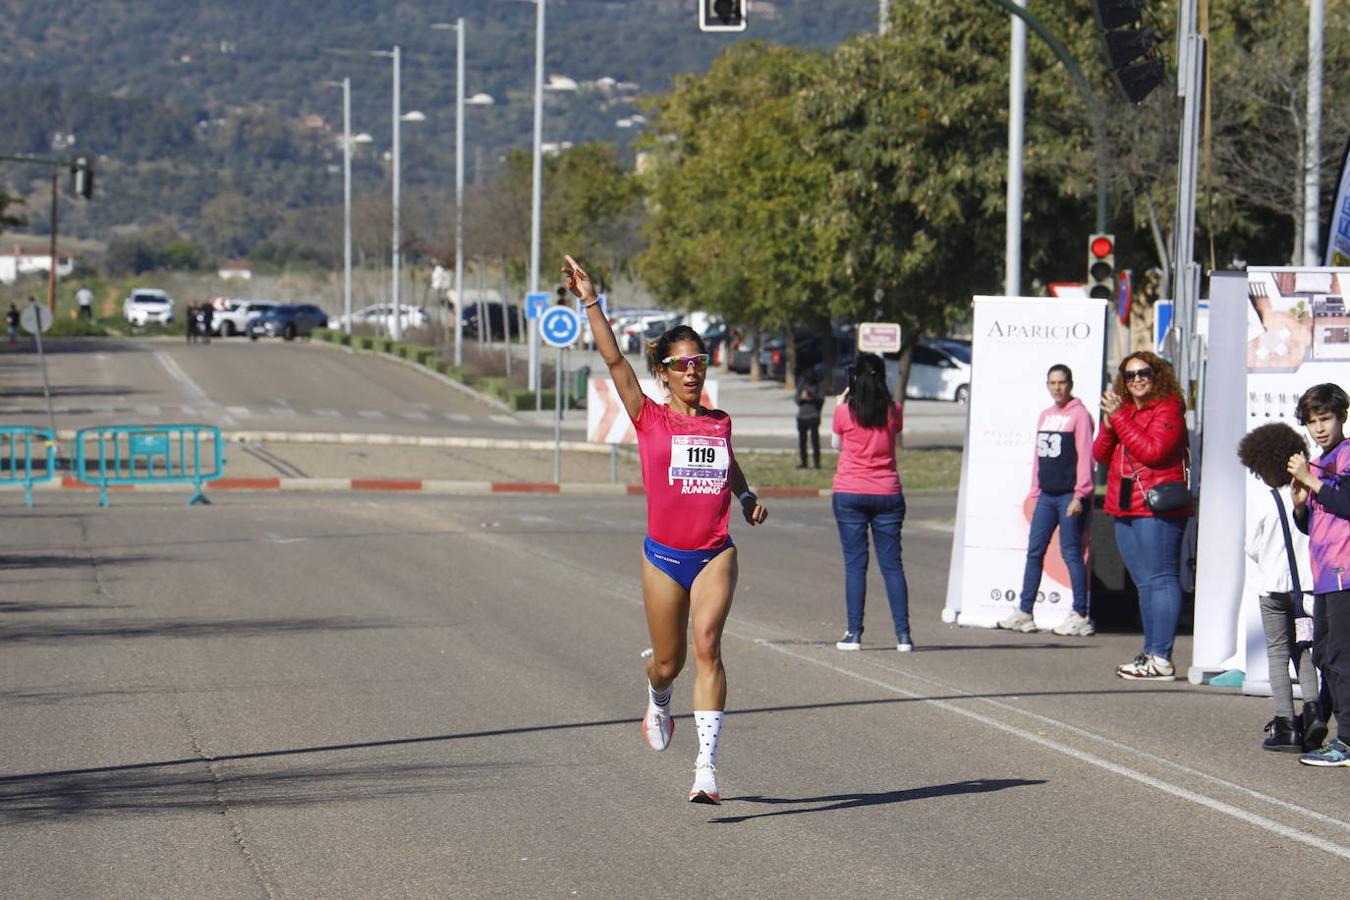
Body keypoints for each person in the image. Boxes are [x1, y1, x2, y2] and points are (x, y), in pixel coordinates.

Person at [563, 253, 767, 804]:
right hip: (663, 558)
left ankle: (706, 768)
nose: (692, 370)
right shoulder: (648, 415)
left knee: (707, 646)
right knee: (669, 661)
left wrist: (744, 495)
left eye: (698, 360)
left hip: (714, 551)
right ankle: (657, 695)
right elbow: (613, 363)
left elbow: (725, 461)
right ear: (665, 373)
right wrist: (590, 300)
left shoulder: (719, 421)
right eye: (681, 364)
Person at [1093, 351, 1192, 681]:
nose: (1136, 379)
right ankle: (1151, 653)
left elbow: (1154, 451)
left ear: (1157, 374)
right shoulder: (1125, 411)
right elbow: (1100, 454)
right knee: (1144, 584)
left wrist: (1119, 417)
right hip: (1124, 506)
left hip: (1157, 507)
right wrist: (1110, 423)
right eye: (1129, 375)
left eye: (1143, 373)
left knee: (1161, 579)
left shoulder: (1169, 407)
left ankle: (1162, 657)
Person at [1237, 422, 1323, 752]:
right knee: (1304, 649)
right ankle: (1313, 710)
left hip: (1273, 588)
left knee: (1277, 653)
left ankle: (1286, 724)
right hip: (1306, 589)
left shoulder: (1264, 501)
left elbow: (1253, 547)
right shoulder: (1309, 495)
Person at [999, 364, 1096, 636]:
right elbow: (1039, 457)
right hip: (1046, 496)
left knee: (1070, 553)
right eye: (1052, 383)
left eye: (1062, 382)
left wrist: (1081, 494)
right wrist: (1035, 490)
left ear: (1070, 384)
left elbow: (1086, 457)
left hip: (1069, 496)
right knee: (1034, 552)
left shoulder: (1080, 416)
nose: (1057, 388)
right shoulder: (1045, 416)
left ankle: (1080, 613)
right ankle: (1025, 611)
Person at [831, 352, 912, 652]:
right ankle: (903, 635)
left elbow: (836, 444)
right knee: (892, 565)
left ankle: (854, 633)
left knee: (856, 565)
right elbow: (895, 433)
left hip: (850, 490)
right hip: (888, 492)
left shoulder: (845, 412)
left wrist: (840, 406)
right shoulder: (894, 410)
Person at [1288, 383, 1350, 766]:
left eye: (1325, 419)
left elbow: (1346, 502)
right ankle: (1331, 732)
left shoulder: (1346, 455)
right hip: (1325, 574)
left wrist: (1311, 480)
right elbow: (1316, 525)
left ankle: (1346, 741)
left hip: (1346, 573)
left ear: (1341, 416)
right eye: (1312, 422)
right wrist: (1300, 507)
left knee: (1341, 656)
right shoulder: (1322, 460)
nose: (1319, 428)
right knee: (1326, 655)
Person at [795, 366, 825, 469]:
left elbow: (821, 400)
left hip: (813, 416)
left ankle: (817, 462)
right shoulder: (802, 385)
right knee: (802, 441)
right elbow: (796, 399)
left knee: (815, 441)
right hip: (802, 416)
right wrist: (802, 398)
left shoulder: (818, 385)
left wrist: (813, 398)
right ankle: (804, 462)